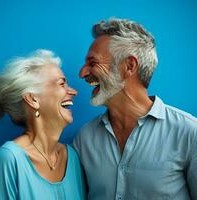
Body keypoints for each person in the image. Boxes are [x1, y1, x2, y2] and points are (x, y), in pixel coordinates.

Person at [72, 18, 197, 200]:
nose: (82, 73)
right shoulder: (84, 139)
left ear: (129, 66)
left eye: (93, 63)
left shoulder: (189, 133)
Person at [0, 49, 86, 200]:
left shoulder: (72, 157)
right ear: (33, 99)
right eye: (62, 84)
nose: (73, 92)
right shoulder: (10, 159)